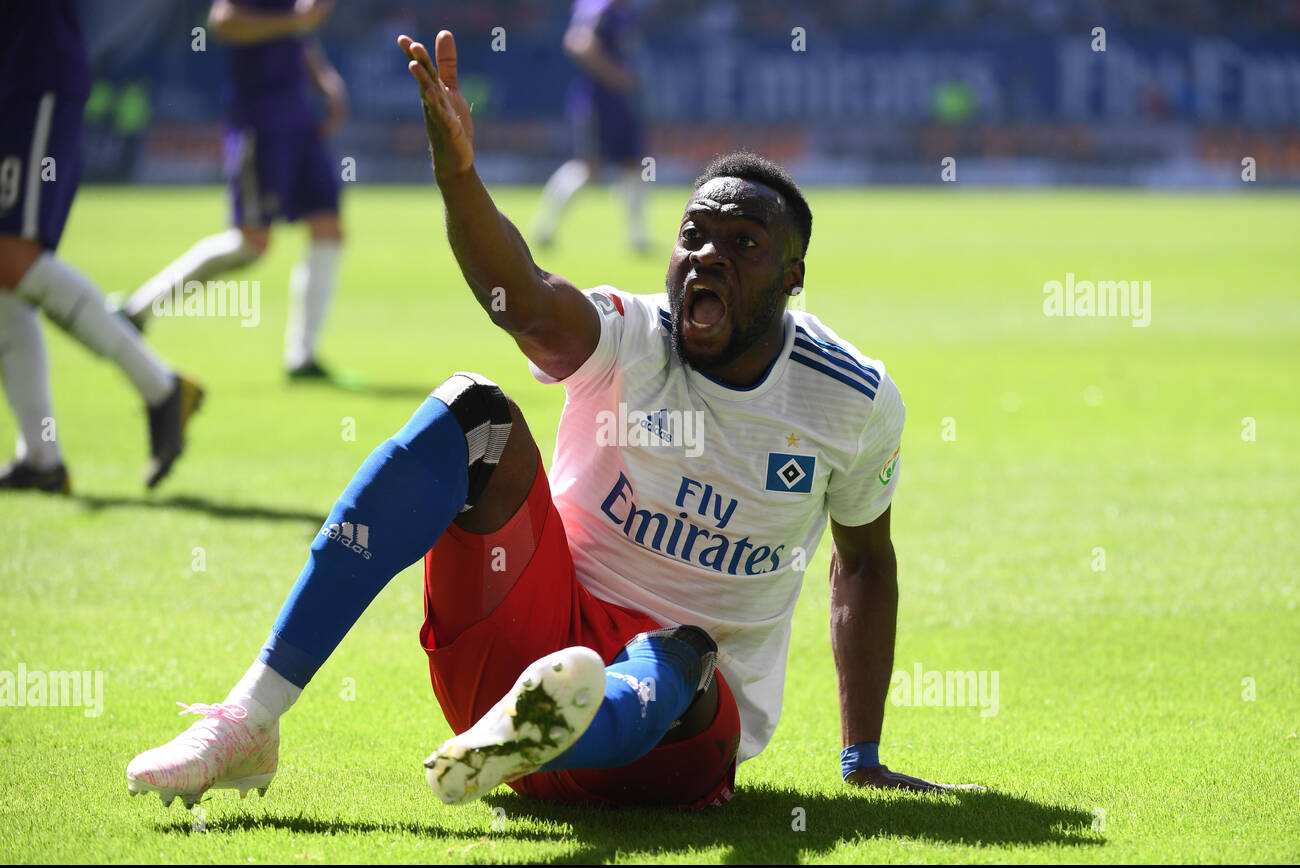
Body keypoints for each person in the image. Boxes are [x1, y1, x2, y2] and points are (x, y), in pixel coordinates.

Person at [127, 30, 976, 811]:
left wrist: (861, 756)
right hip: (522, 648)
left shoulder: (851, 397)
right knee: (473, 413)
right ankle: (249, 721)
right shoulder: (631, 335)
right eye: (693, 235)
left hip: (675, 738)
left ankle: (552, 727)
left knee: (682, 647)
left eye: (743, 243)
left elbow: (863, 563)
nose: (708, 254)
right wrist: (458, 172)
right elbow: (522, 299)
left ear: (793, 279)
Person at [0, 1, 202, 493]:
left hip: (32, 74)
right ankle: (41, 456)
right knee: (4, 276)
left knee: (12, 256)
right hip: (17, 74)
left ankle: (161, 388)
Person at [119, 0, 348, 380]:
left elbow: (299, 34)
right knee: (251, 243)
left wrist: (326, 81)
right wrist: (297, 19)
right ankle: (136, 311)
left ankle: (302, 358)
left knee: (328, 228)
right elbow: (223, 21)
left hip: (299, 119)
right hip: (259, 122)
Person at [532, 0, 648, 253]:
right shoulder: (599, 8)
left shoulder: (623, 11)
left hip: (621, 103)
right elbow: (579, 43)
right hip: (598, 103)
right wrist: (615, 75)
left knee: (632, 164)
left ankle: (637, 237)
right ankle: (545, 228)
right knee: (588, 168)